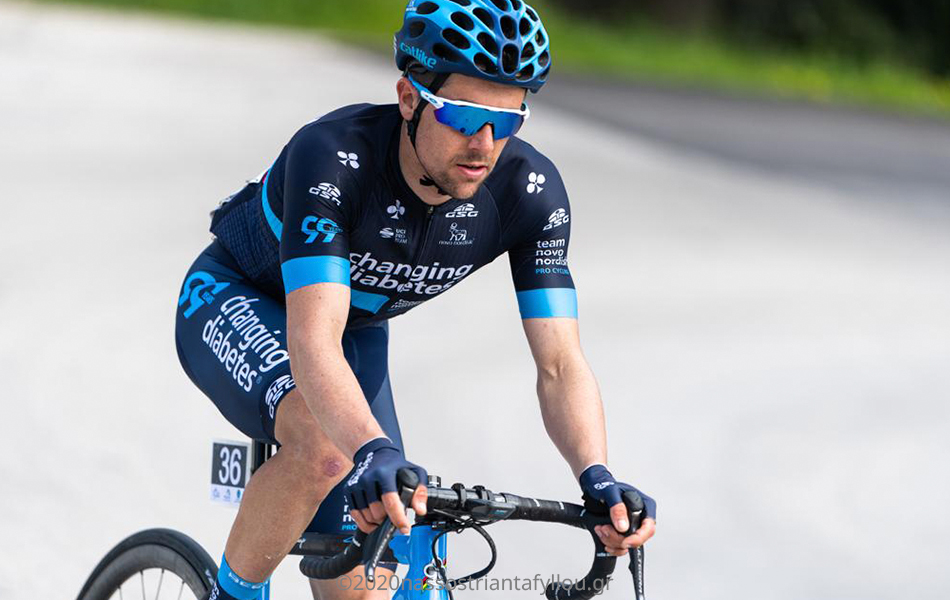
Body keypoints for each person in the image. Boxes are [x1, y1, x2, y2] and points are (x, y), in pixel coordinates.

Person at [174, 1, 656, 598]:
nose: (484, 144)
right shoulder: (333, 157)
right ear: (409, 98)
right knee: (328, 449)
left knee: (389, 530)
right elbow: (313, 339)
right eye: (463, 116)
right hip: (237, 297)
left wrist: (597, 475)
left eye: (506, 122)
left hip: (353, 333)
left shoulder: (532, 194)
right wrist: (368, 447)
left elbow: (559, 364)